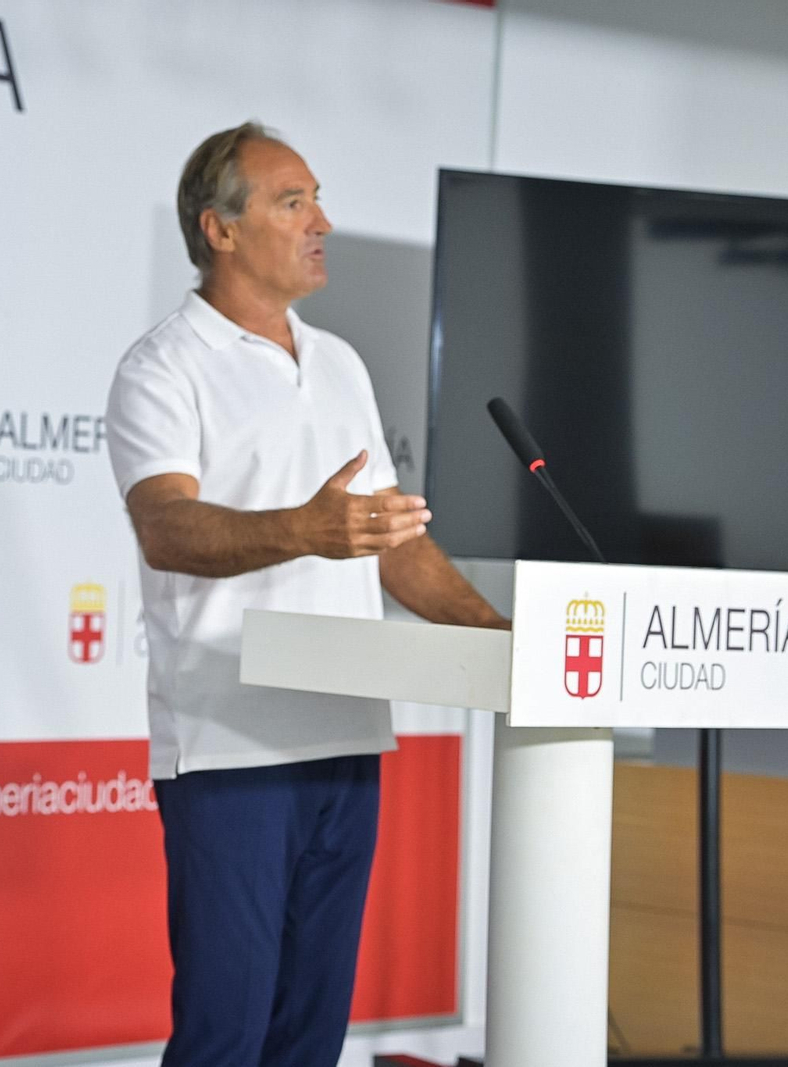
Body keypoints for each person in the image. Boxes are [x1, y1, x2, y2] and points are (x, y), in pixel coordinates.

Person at [105, 122, 508, 1066]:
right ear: (222, 231)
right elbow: (167, 528)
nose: (322, 221)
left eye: (317, 199)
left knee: (309, 1039)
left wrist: (502, 637)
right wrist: (305, 527)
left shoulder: (339, 362)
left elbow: (390, 547)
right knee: (226, 1034)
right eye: (294, 203)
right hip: (231, 744)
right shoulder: (162, 366)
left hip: (346, 738)